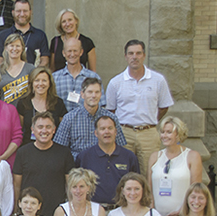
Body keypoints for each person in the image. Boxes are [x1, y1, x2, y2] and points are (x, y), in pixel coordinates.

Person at [106, 39, 175, 174]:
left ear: (143, 55)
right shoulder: (115, 82)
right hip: (123, 133)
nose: (134, 57)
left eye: (138, 53)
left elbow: (164, 106)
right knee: (121, 172)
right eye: (131, 53)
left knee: (150, 172)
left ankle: (148, 196)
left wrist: (149, 120)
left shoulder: (158, 80)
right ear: (125, 56)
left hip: (148, 132)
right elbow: (111, 110)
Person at [13, 112, 75, 216]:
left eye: (48, 127)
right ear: (33, 129)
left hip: (56, 213)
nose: (44, 131)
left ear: (54, 129)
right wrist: (15, 210)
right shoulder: (22, 152)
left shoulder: (64, 153)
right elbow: (17, 185)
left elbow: (69, 185)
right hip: (29, 213)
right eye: (40, 127)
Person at [54, 77, 126, 159]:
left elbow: (121, 146)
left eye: (97, 92)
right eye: (90, 92)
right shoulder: (69, 118)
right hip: (78, 166)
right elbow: (59, 148)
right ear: (82, 94)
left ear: (101, 95)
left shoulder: (111, 118)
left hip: (104, 163)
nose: (93, 96)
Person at [76, 116, 140, 205]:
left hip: (121, 210)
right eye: (102, 129)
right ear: (96, 133)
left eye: (110, 128)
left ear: (116, 132)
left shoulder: (129, 156)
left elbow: (137, 185)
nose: (107, 132)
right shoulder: (84, 157)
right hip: (93, 210)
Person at [16, 66, 67, 145]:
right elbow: (19, 129)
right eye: (37, 80)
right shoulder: (23, 103)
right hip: (29, 148)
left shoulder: (58, 103)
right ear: (32, 83)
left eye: (44, 80)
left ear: (49, 83)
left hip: (53, 148)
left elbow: (64, 129)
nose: (40, 84)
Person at [53, 38, 104, 112]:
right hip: (62, 122)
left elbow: (101, 105)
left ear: (81, 52)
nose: (72, 54)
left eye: (75, 51)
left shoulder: (93, 77)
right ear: (63, 53)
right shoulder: (54, 78)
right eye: (69, 51)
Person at [0, 0, 49, 67]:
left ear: (30, 12)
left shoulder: (40, 35)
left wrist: (34, 74)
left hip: (33, 76)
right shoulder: (2, 35)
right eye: (18, 11)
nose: (22, 14)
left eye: (25, 11)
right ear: (13, 12)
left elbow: (45, 60)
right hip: (9, 76)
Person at [0, 33, 35, 107]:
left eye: (18, 46)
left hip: (26, 112)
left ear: (22, 48)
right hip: (5, 112)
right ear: (6, 48)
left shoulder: (31, 69)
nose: (14, 49)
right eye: (11, 45)